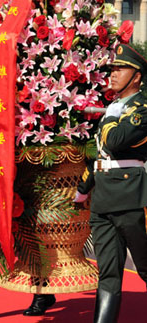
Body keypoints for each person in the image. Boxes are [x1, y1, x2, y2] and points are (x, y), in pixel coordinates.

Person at [75, 44, 147, 323]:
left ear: (137, 76)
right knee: (108, 273)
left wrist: (111, 114)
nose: (113, 74)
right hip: (104, 197)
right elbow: (99, 155)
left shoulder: (140, 108)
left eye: (120, 69)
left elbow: (114, 141)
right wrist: (82, 191)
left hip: (131, 196)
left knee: (144, 266)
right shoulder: (115, 109)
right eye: (112, 69)